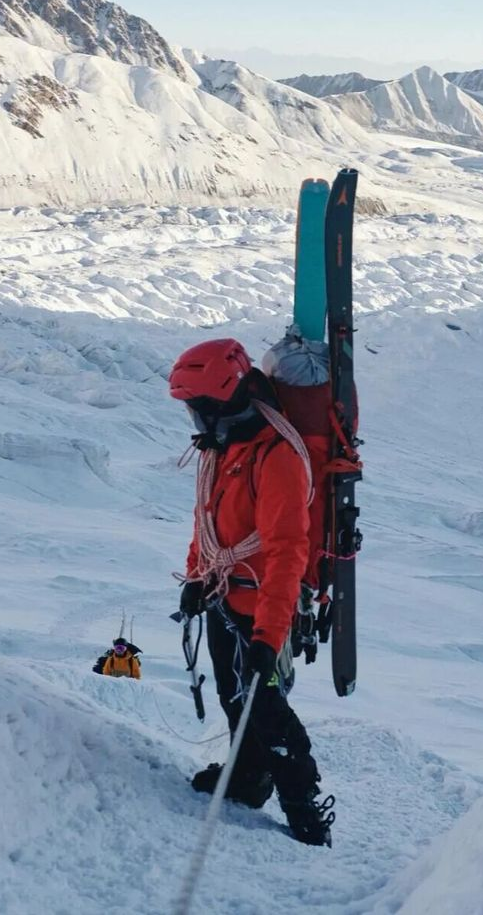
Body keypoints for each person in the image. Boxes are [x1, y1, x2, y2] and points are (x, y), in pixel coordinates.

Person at [170, 337, 335, 846]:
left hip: (263, 605)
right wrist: (197, 576)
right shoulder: (224, 448)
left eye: (197, 405)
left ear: (222, 401)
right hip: (226, 597)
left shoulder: (276, 456)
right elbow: (208, 521)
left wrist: (269, 635)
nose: (193, 416)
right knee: (233, 695)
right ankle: (248, 777)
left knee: (265, 708)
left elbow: (287, 552)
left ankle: (304, 808)